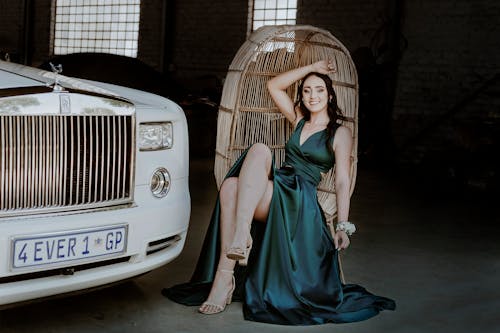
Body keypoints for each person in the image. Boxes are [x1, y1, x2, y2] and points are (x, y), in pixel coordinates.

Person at [163, 60, 395, 325]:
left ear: (330, 95)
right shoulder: (298, 118)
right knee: (237, 178)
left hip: (300, 199)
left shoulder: (340, 132)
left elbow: (342, 180)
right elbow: (274, 85)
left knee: (240, 176)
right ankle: (228, 267)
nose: (313, 96)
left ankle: (229, 265)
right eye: (307, 90)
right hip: (279, 185)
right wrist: (313, 66)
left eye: (319, 90)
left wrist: (343, 224)